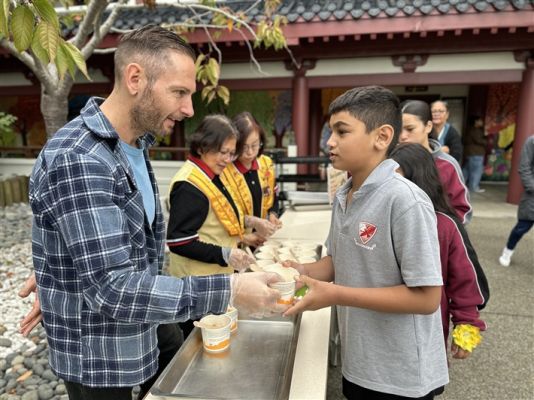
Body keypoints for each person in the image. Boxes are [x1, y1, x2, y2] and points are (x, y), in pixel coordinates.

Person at [27, 25, 285, 399]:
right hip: (98, 348)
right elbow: (112, 287)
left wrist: (54, 266)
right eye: (179, 92)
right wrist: (230, 289)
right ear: (135, 78)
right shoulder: (80, 157)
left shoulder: (133, 143)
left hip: (143, 321)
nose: (189, 109)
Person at [284, 86, 448, 399]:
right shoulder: (344, 195)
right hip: (359, 361)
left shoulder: (405, 201)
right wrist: (299, 271)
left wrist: (335, 294)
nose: (329, 142)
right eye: (331, 131)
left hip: (400, 374)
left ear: (382, 137)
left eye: (342, 131)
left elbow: (427, 298)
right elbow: (338, 260)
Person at [166, 114, 277, 338]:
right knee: (202, 341)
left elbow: (222, 213)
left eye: (231, 153)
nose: (227, 159)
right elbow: (179, 242)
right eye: (222, 152)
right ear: (202, 147)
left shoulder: (213, 174)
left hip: (217, 279)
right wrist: (226, 254)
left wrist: (251, 221)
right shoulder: (189, 185)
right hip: (196, 285)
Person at [390, 143, 489, 360]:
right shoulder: (380, 220)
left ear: (419, 181)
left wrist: (466, 326)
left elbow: (464, 282)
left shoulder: (445, 226)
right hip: (382, 323)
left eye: (400, 181)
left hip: (428, 329)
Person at [400, 99, 472, 224]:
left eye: (410, 129)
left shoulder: (447, 165)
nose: (402, 136)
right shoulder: (390, 161)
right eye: (398, 130)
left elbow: (462, 211)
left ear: (428, 126)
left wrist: (442, 229)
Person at [220, 111, 281, 248]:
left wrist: (272, 215)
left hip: (262, 240)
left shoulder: (266, 164)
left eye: (254, 145)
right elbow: (223, 214)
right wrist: (247, 231)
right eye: (244, 147)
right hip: (235, 244)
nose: (250, 152)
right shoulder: (224, 171)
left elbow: (273, 196)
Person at [499, 135, 534, 267]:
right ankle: (508, 250)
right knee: (522, 227)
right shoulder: (532, 141)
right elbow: (524, 167)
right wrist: (532, 187)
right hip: (532, 196)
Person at [462, 115, 488, 193]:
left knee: (466, 171)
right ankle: (473, 187)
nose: (482, 122)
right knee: (476, 171)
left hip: (470, 153)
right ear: (476, 122)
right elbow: (480, 140)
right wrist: (486, 137)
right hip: (476, 153)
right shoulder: (475, 130)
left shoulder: (469, 129)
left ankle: (460, 185)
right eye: (480, 120)